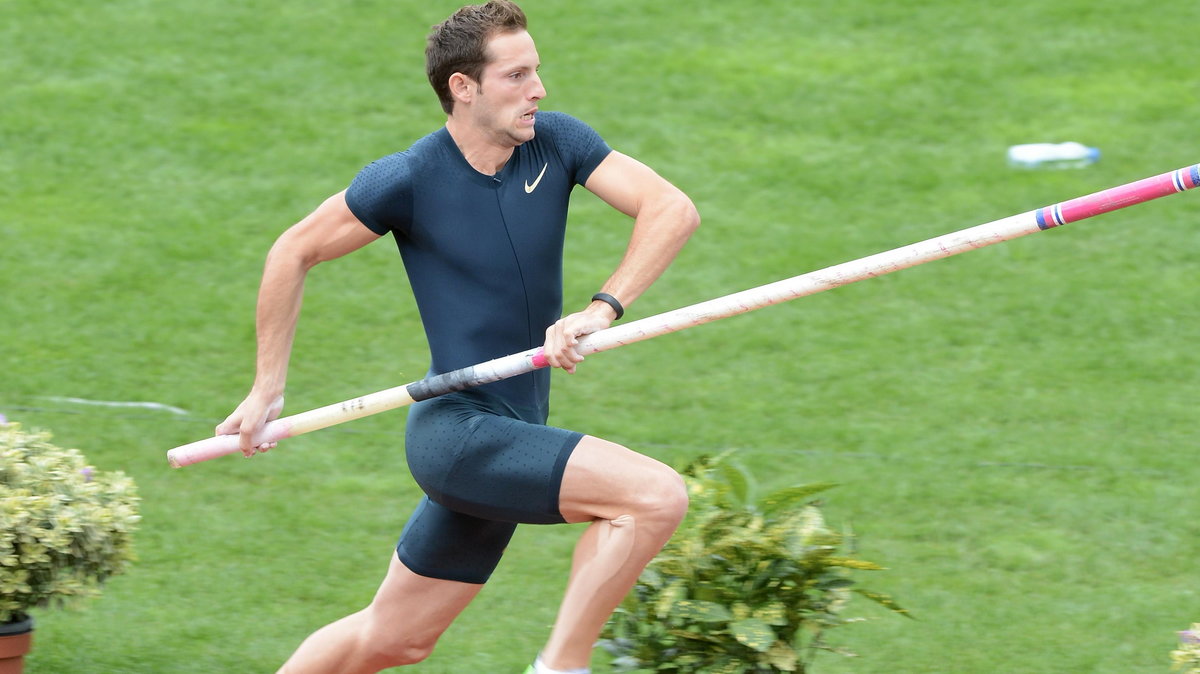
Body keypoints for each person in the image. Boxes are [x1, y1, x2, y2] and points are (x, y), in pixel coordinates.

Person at [215, 2, 699, 672]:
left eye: (537, 70)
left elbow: (671, 207)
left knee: (392, 639)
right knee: (653, 497)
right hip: (459, 435)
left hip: (514, 430)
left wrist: (602, 308)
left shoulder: (557, 144)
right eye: (517, 75)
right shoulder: (410, 178)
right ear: (463, 87)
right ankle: (562, 666)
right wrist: (268, 386)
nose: (540, 89)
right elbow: (292, 251)